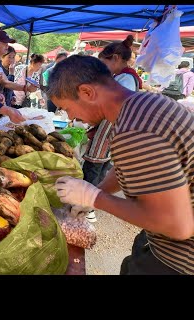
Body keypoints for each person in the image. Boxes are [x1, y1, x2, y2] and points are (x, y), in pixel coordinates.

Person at [50, 55, 194, 275]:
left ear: (87, 92)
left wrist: (94, 198)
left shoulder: (133, 132)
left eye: (67, 109)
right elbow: (140, 167)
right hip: (159, 244)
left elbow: (177, 225)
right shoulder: (148, 103)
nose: (71, 117)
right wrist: (98, 191)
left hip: (178, 260)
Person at [82, 36, 142, 222]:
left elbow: (108, 105)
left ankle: (87, 206)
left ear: (115, 58)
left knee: (94, 166)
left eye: (104, 63)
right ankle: (92, 201)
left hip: (109, 128)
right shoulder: (125, 77)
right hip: (112, 129)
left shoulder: (125, 78)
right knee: (100, 167)